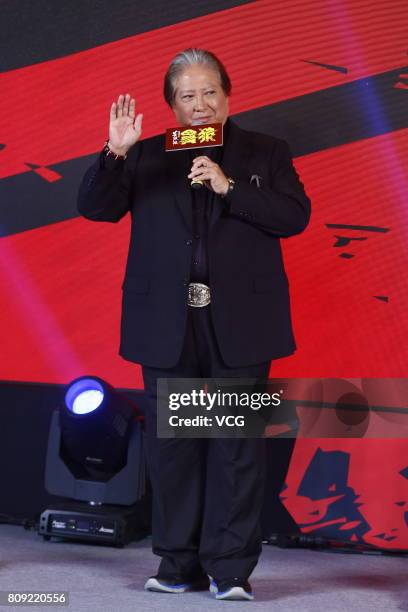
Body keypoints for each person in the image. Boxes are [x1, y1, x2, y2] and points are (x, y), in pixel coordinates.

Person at [77, 48, 311, 601]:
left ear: (227, 95)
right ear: (172, 105)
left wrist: (230, 187)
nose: (201, 105)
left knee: (235, 445)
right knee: (174, 446)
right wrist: (115, 151)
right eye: (188, 96)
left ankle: (230, 570)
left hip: (240, 324)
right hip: (166, 322)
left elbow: (294, 216)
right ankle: (178, 563)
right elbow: (95, 208)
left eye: (210, 93)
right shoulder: (146, 155)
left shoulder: (265, 151)